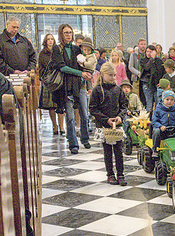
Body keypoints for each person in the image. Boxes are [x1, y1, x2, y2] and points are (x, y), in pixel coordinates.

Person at [50, 23, 92, 155]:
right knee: (70, 117)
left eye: (70, 32)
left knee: (85, 114)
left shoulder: (76, 49)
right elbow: (62, 67)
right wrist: (80, 74)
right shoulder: (57, 49)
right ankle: (73, 144)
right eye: (66, 33)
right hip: (66, 86)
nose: (68, 35)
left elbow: (84, 64)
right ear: (61, 34)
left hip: (79, 85)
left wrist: (86, 75)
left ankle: (85, 138)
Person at [89, 63, 128, 186]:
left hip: (116, 125)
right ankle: (110, 174)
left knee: (118, 150)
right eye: (110, 75)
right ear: (102, 74)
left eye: (114, 75)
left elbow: (124, 105)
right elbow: (93, 109)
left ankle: (120, 174)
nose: (112, 77)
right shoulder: (97, 90)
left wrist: (119, 117)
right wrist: (106, 119)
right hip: (104, 125)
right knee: (107, 151)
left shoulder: (117, 89)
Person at [38, 33, 65, 135]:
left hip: (58, 80)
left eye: (52, 39)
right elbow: (40, 68)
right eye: (48, 39)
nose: (50, 41)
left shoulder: (58, 51)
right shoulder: (42, 53)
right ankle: (55, 126)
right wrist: (45, 77)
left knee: (60, 105)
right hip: (48, 82)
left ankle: (62, 126)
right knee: (51, 106)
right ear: (45, 41)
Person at [151, 90, 175, 155]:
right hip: (162, 132)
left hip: (172, 132)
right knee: (156, 131)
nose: (169, 101)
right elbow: (154, 121)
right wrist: (160, 126)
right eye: (167, 99)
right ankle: (155, 150)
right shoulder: (158, 110)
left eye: (171, 100)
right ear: (163, 99)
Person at [141, 44, 165, 114]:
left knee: (158, 104)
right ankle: (148, 122)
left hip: (156, 85)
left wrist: (160, 82)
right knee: (149, 105)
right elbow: (146, 67)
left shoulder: (159, 61)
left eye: (151, 52)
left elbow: (161, 72)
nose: (148, 53)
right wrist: (151, 59)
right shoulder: (143, 60)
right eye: (147, 51)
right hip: (147, 84)